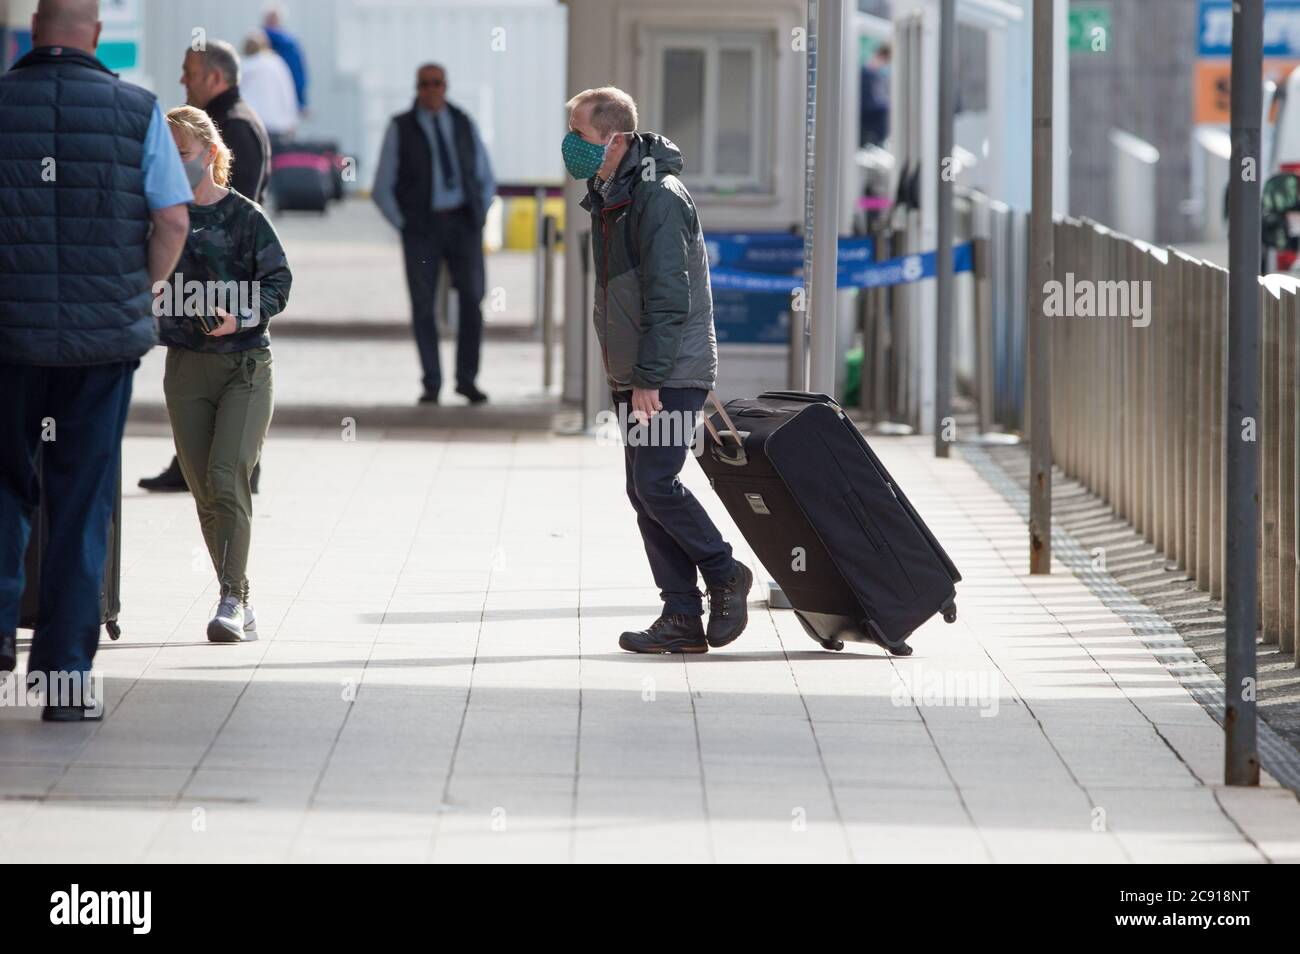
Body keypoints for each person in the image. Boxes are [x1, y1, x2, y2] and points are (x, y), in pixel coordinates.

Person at [0, 0, 191, 720]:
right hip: (100, 346)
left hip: (9, 338)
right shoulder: (137, 110)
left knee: (4, 486)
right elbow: (173, 217)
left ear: (33, 33)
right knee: (81, 504)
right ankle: (65, 683)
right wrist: (137, 287)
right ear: (96, 38)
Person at [563, 87, 752, 654]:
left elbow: (670, 297)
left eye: (581, 135)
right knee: (642, 489)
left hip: (668, 373)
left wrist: (647, 376)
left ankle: (724, 572)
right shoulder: (612, 192)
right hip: (639, 372)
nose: (572, 145)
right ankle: (680, 618)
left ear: (615, 139)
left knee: (656, 482)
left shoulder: (658, 196)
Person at [156, 106, 292, 643]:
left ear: (211, 154)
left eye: (182, 155)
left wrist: (245, 313)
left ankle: (233, 600)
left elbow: (280, 282)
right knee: (203, 491)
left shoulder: (246, 217)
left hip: (245, 367)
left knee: (224, 475)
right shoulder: (163, 217)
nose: (173, 166)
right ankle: (236, 595)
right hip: (185, 366)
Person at [142, 38, 273, 493]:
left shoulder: (231, 128)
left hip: (225, 293)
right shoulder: (238, 121)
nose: (183, 79)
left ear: (215, 78)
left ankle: (229, 468)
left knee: (223, 375)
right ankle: (202, 465)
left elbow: (238, 209)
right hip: (215, 295)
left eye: (190, 72)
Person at [373, 63, 496, 405]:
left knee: (472, 298)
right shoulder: (401, 127)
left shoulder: (462, 121)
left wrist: (480, 213)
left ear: (446, 86)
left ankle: (466, 379)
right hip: (422, 228)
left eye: (437, 83)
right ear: (417, 88)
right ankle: (432, 381)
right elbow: (382, 187)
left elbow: (485, 174)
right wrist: (406, 225)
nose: (431, 89)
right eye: (424, 84)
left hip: (462, 223)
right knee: (423, 305)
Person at [239, 31, 298, 147]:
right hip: (277, 126)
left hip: (250, 126)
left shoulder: (242, 66)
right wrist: (291, 120)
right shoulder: (277, 64)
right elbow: (287, 94)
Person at [262, 5, 308, 116]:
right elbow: (299, 74)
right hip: (279, 97)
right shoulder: (289, 42)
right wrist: (301, 102)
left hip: (270, 99)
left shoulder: (259, 39)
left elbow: (298, 73)